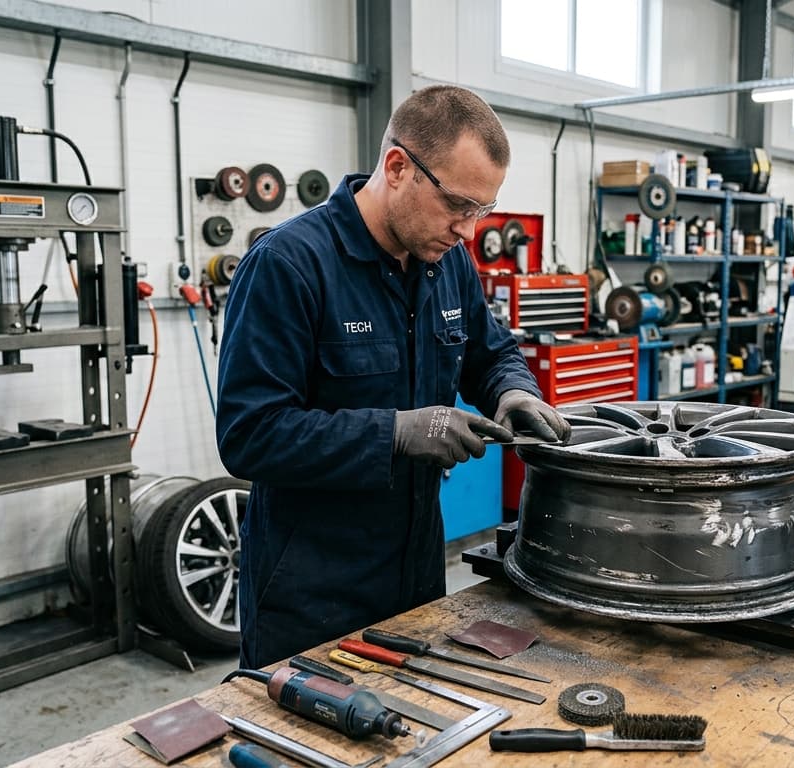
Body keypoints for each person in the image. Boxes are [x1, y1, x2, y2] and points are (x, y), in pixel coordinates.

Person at [216, 85, 571, 669]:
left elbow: (491, 351)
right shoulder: (289, 265)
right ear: (399, 166)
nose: (467, 229)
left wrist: (515, 389)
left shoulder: (447, 260)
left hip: (416, 577)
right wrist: (398, 433)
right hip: (310, 592)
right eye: (459, 204)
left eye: (480, 212)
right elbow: (249, 434)